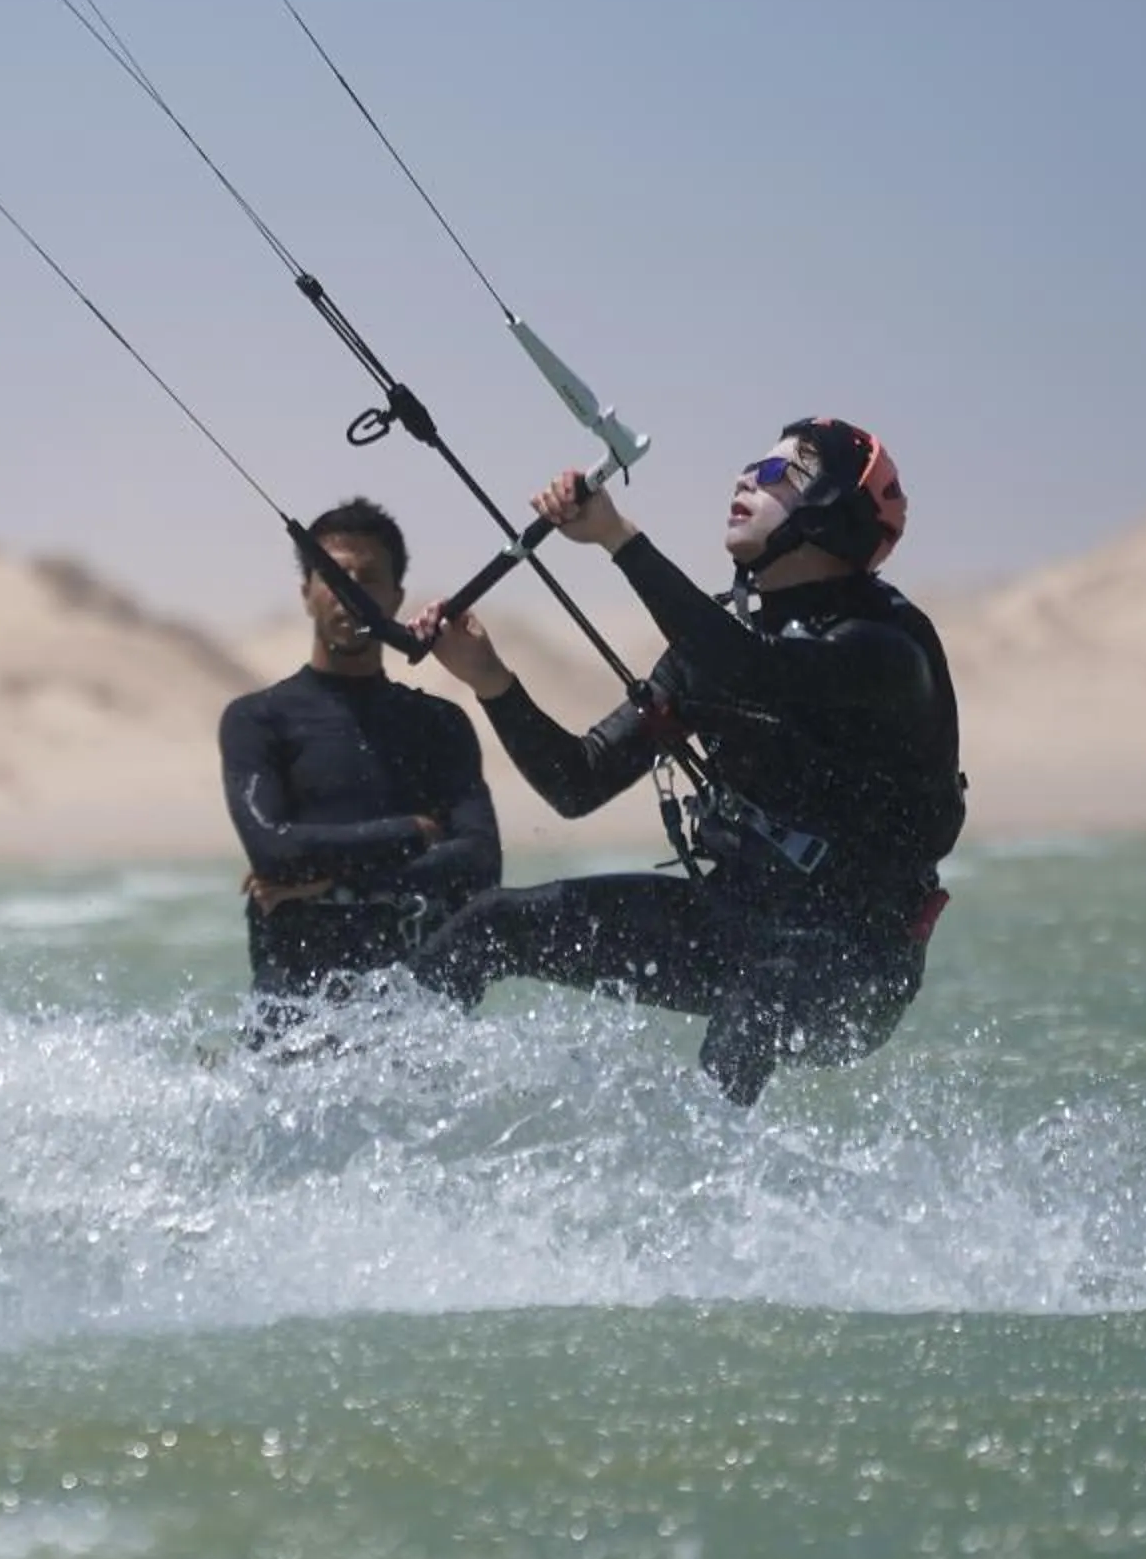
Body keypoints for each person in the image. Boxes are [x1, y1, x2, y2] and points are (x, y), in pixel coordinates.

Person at [406, 418, 964, 1106]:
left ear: (834, 515)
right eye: (749, 464)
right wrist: (490, 678)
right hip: (733, 924)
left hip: (855, 964)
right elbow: (577, 782)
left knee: (757, 1002)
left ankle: (707, 1194)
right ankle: (390, 1087)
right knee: (490, 923)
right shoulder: (720, 641)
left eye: (780, 474)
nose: (745, 478)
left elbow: (755, 673)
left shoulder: (883, 648)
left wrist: (617, 537)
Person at [219, 498, 502, 1028]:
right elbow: (274, 850)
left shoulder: (439, 725)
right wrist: (414, 832)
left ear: (396, 598)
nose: (348, 591)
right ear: (306, 593)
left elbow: (481, 864)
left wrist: (329, 883)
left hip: (412, 1015)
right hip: (293, 1018)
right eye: (332, 576)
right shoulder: (258, 720)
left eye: (367, 579)